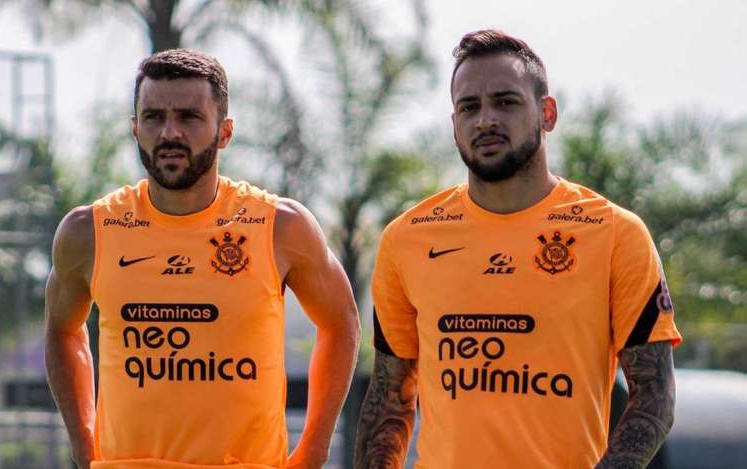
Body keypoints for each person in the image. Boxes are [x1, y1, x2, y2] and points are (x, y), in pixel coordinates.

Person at [354, 30, 682, 468]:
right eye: (468, 107)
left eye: (505, 102)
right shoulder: (407, 238)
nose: (485, 120)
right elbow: (390, 400)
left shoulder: (615, 233)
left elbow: (654, 399)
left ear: (547, 113)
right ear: (454, 125)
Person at [44, 49, 360, 469]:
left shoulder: (280, 226)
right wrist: (84, 445)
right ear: (135, 128)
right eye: (154, 117)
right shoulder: (89, 231)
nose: (170, 132)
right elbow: (62, 331)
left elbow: (341, 323)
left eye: (189, 117)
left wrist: (314, 449)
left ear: (224, 132)